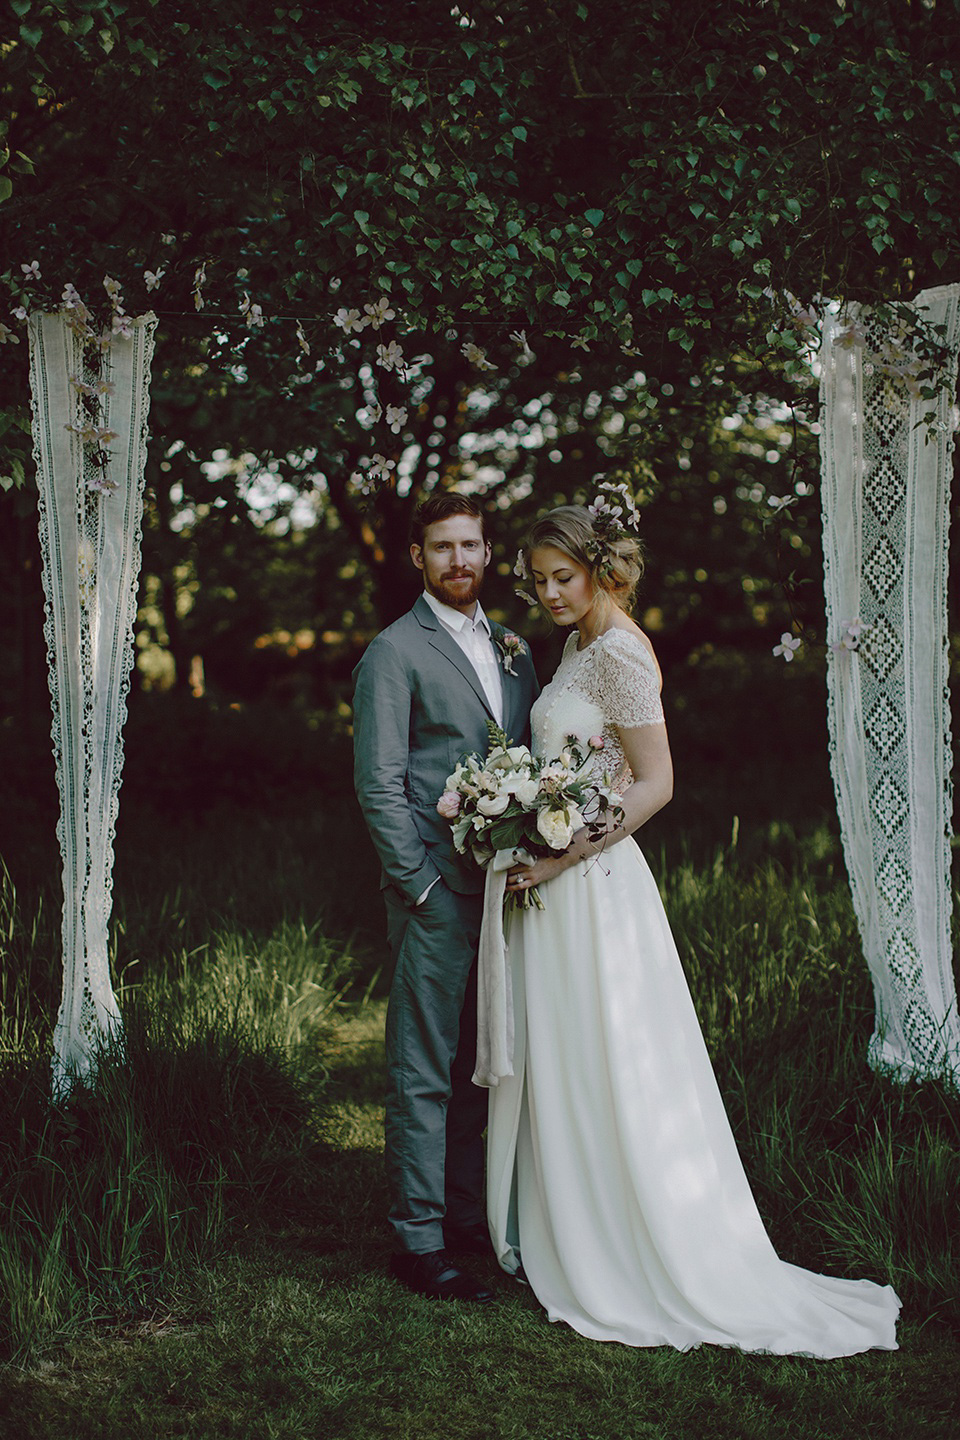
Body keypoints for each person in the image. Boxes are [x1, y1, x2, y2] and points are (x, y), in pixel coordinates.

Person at [485, 498, 901, 1356]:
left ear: (600, 568)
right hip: (558, 881)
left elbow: (656, 782)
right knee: (569, 1055)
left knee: (610, 1054)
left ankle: (633, 1248)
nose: (550, 594)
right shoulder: (575, 649)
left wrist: (562, 856)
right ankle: (575, 1228)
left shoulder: (625, 655)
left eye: (563, 577)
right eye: (537, 581)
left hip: (593, 884)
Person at [353, 491, 539, 1304]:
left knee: (484, 1066)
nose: (459, 561)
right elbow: (379, 785)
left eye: (471, 546)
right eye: (442, 547)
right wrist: (419, 885)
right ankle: (418, 1239)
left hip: (509, 891)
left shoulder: (513, 649)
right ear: (417, 558)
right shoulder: (393, 653)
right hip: (437, 893)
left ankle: (469, 1218)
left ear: (488, 554)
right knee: (425, 1067)